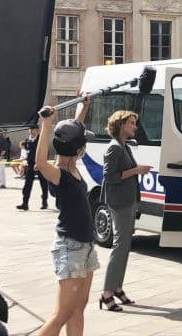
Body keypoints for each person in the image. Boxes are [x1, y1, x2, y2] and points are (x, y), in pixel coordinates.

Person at [34, 100, 100, 336]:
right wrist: (46, 125)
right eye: (83, 144)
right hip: (70, 246)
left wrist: (84, 105)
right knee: (61, 314)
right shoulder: (59, 173)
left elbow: (74, 131)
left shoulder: (72, 165)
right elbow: (39, 163)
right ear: (77, 148)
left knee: (78, 308)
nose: (85, 147)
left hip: (86, 245)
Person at [100, 110, 152, 312]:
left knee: (124, 246)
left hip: (128, 201)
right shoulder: (114, 148)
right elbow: (110, 176)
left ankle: (117, 288)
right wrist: (136, 170)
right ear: (121, 125)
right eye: (131, 123)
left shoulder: (124, 146)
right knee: (120, 246)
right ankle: (106, 293)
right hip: (119, 202)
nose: (135, 126)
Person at [16, 124, 48, 210]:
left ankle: (44, 201)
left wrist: (41, 162)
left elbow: (45, 152)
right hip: (30, 164)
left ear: (37, 130)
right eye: (30, 129)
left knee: (43, 184)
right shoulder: (27, 140)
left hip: (40, 164)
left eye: (33, 129)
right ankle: (25, 203)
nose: (31, 130)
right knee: (27, 184)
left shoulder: (41, 139)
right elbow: (27, 153)